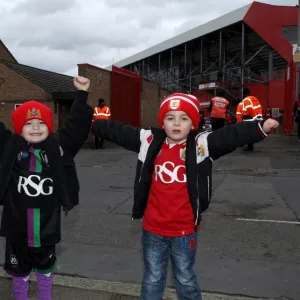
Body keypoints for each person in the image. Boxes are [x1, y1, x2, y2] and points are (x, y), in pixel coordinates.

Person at [91, 92, 279, 300]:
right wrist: (92, 124)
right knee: (153, 278)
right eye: (170, 118)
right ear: (163, 123)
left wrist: (259, 127)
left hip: (185, 231)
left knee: (185, 279)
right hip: (153, 230)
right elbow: (119, 131)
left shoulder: (202, 145)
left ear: (193, 123)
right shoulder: (150, 140)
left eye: (184, 118)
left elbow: (230, 136)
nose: (176, 123)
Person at [0, 76, 93, 300]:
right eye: (28, 123)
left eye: (41, 123)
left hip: (47, 230)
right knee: (18, 272)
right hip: (17, 229)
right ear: (18, 128)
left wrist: (81, 95)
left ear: (49, 127)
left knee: (45, 270)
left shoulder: (57, 148)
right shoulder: (10, 147)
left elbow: (77, 128)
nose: (35, 127)